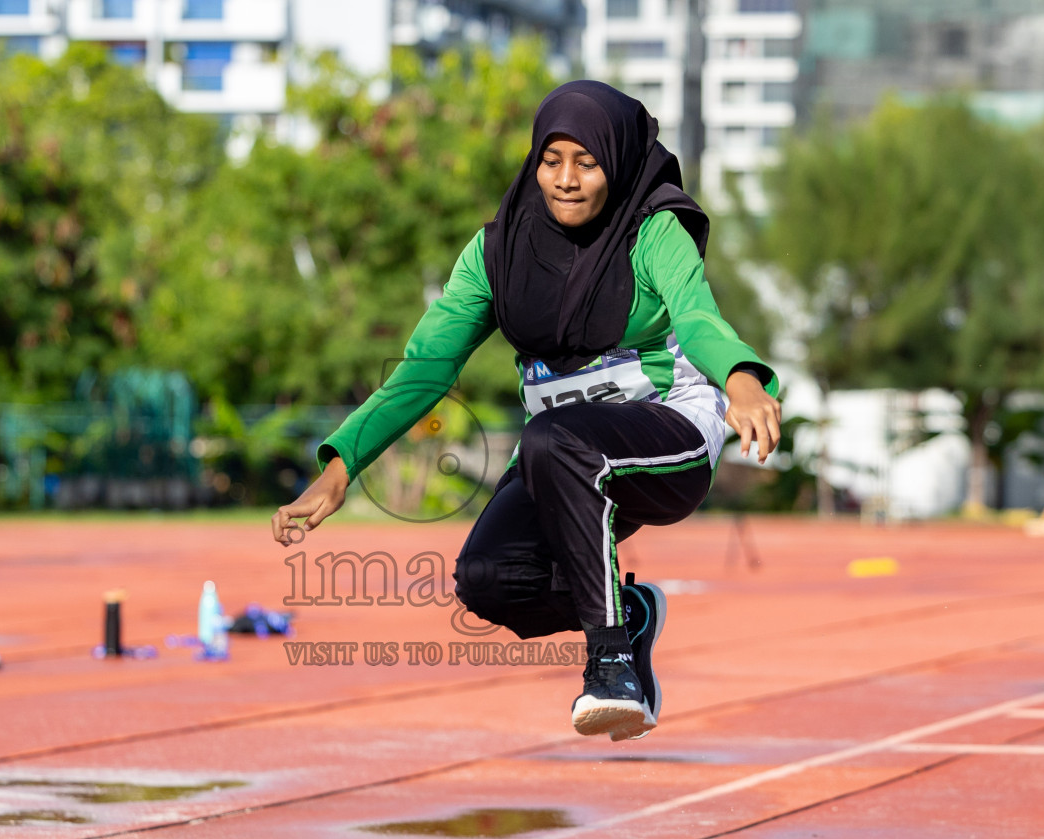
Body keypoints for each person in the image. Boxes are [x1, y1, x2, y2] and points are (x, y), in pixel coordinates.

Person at [271, 81, 781, 742]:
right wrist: (343, 462)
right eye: (552, 159)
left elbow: (699, 318)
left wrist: (740, 378)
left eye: (587, 162)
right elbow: (425, 367)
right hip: (560, 457)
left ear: (618, 164)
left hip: (667, 436)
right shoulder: (496, 252)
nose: (566, 180)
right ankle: (632, 615)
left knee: (555, 439)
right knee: (488, 580)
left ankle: (612, 664)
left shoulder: (655, 231)